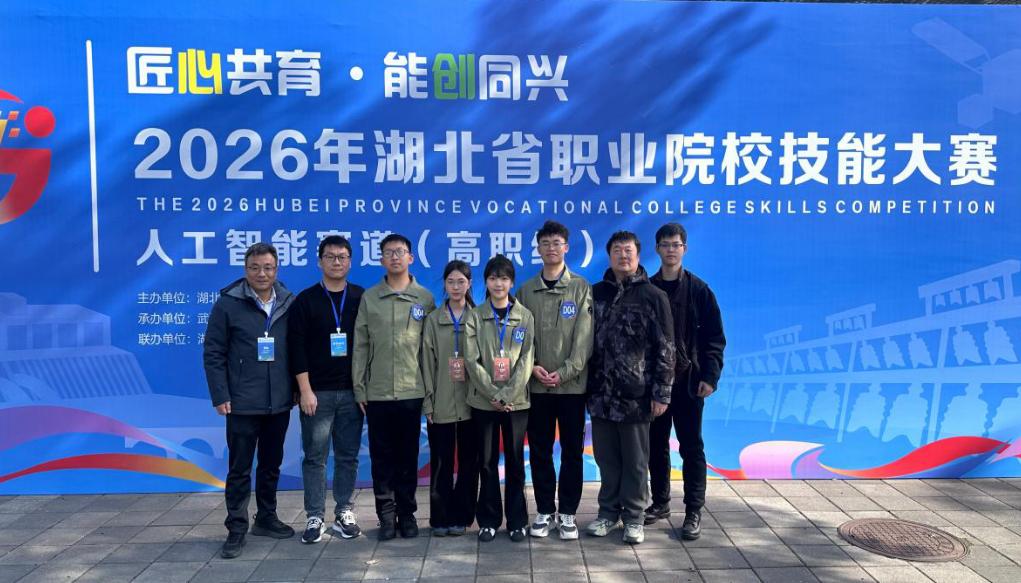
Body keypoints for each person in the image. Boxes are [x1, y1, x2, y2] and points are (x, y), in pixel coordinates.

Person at [203, 242, 297, 559]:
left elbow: (296, 350)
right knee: (240, 468)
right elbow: (213, 352)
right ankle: (236, 528)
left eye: (268, 267)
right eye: (255, 267)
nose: (261, 273)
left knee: (271, 465)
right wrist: (220, 394)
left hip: (279, 401)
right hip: (242, 402)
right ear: (246, 270)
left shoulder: (288, 302)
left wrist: (296, 389)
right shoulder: (228, 304)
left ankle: (266, 518)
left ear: (276, 269)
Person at [585, 231, 676, 545]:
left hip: (636, 396)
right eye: (617, 251)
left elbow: (666, 348)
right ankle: (608, 513)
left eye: (628, 251)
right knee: (607, 459)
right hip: (600, 395)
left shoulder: (653, 296)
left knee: (636, 462)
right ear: (609, 255)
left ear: (638, 255)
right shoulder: (596, 293)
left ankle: (634, 517)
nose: (623, 256)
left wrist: (662, 392)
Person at [352, 234, 435, 540]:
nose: (395, 257)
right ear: (381, 260)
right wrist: (359, 387)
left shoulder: (424, 298)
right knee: (382, 459)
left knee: (408, 458)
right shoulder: (370, 298)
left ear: (410, 258)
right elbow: (360, 345)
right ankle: (386, 516)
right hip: (378, 393)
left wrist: (430, 391)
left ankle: (408, 514)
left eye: (400, 252)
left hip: (412, 391)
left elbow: (431, 350)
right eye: (389, 252)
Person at [646, 223, 725, 541]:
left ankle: (693, 510)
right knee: (655, 447)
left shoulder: (699, 290)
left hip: (690, 384)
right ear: (657, 249)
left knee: (691, 447)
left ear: (685, 249)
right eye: (665, 244)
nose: (671, 250)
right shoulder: (647, 289)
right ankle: (660, 502)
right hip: (655, 385)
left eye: (676, 244)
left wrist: (710, 376)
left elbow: (714, 338)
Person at [517, 220, 593, 540]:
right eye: (545, 243)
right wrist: (533, 366)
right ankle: (545, 510)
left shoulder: (581, 287)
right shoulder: (525, 291)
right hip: (536, 387)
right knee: (540, 451)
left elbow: (584, 340)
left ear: (566, 247)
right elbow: (519, 337)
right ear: (538, 249)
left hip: (572, 388)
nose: (551, 248)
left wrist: (564, 373)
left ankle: (568, 513)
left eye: (557, 242)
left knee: (572, 451)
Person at [288, 235, 365, 544]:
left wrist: (363, 389)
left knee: (348, 456)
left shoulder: (361, 297)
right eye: (330, 256)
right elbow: (296, 348)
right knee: (315, 457)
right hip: (317, 393)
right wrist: (305, 390)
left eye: (342, 257)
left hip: (352, 392)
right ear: (319, 261)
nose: (336, 262)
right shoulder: (305, 300)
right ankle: (315, 515)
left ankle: (344, 511)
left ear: (350, 262)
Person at [464, 255, 535, 543]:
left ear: (511, 282)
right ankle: (489, 520)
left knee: (516, 462)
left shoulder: (525, 316)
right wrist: (494, 394)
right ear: (486, 282)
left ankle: (517, 521)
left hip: (516, 403)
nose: (498, 284)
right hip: (484, 402)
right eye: (493, 278)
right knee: (487, 462)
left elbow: (527, 360)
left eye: (504, 278)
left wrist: (507, 394)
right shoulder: (475, 316)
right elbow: (471, 360)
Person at [420, 260, 480, 537]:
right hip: (442, 400)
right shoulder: (433, 319)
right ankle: (440, 518)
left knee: (469, 462)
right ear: (444, 284)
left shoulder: (478, 317)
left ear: (470, 284)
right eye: (451, 282)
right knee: (441, 461)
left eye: (461, 281)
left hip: (473, 401)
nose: (456, 287)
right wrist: (428, 402)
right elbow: (427, 363)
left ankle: (462, 516)